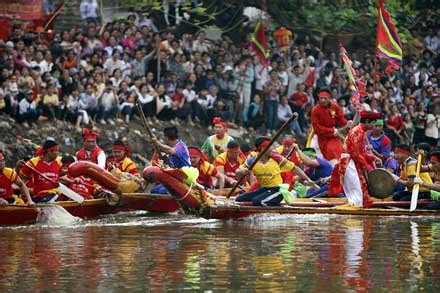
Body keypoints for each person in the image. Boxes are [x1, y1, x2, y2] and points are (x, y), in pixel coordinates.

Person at [235, 136, 314, 206]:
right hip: (264, 189)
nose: (273, 148)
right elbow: (238, 171)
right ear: (262, 148)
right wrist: (242, 171)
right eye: (270, 146)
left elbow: (294, 168)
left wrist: (308, 179)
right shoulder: (252, 161)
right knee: (239, 199)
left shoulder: (277, 159)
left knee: (257, 201)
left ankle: (273, 210)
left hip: (278, 190)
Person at [328, 111, 382, 209]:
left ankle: (348, 212)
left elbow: (359, 153)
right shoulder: (358, 132)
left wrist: (373, 157)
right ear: (367, 121)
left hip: (349, 161)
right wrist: (366, 164)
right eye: (373, 123)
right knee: (357, 196)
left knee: (356, 194)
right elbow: (356, 154)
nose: (374, 126)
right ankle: (347, 215)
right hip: (349, 162)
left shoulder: (360, 130)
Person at [311, 88, 350, 164]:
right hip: (320, 136)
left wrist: (348, 124)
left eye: (325, 98)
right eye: (321, 98)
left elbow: (341, 119)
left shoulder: (335, 107)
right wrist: (332, 131)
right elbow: (317, 127)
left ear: (329, 98)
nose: (322, 100)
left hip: (333, 136)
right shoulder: (315, 110)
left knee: (335, 152)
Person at [150, 126, 190, 194]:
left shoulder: (180, 146)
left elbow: (171, 151)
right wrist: (155, 143)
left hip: (183, 179)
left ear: (166, 138)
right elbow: (163, 151)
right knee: (154, 190)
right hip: (174, 178)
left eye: (164, 138)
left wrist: (157, 143)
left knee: (161, 191)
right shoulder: (173, 146)